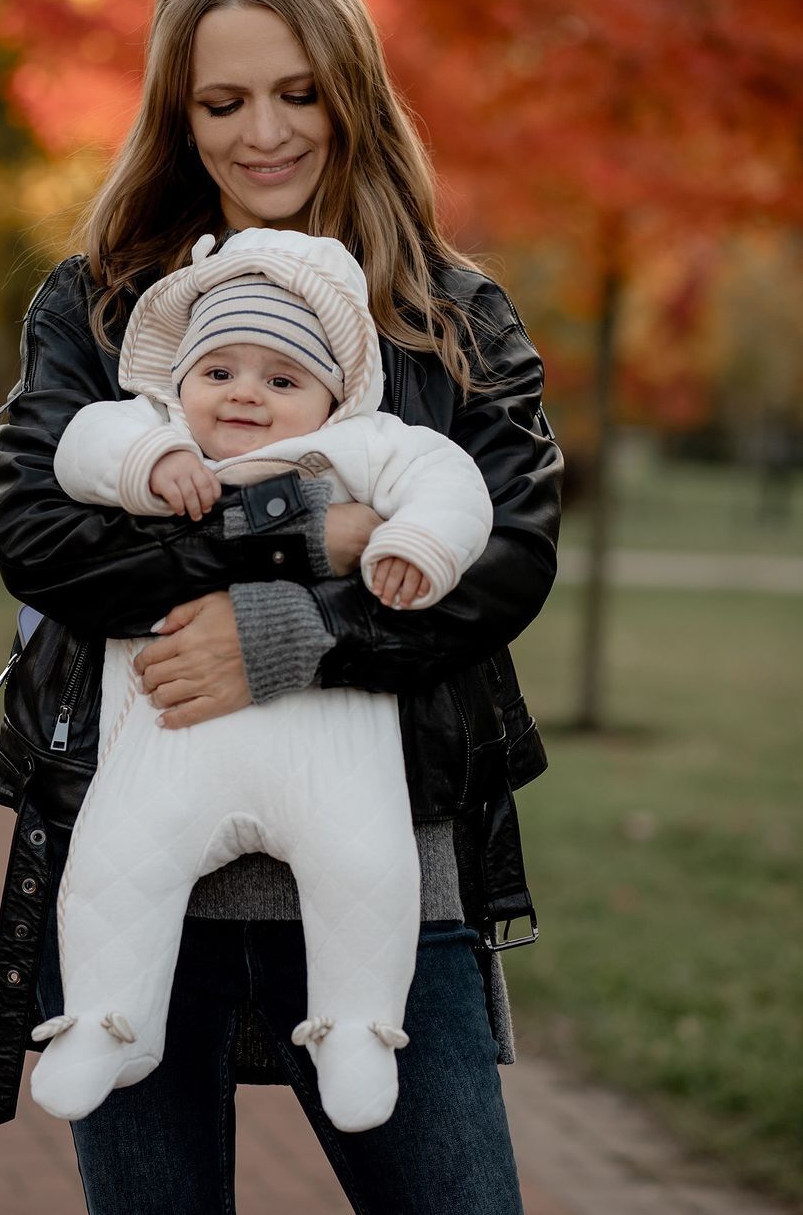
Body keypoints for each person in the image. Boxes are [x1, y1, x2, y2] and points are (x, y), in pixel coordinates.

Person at [0, 0, 562, 1215]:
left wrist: (286, 638)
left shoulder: (455, 320)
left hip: (392, 884)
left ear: (350, 88)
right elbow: (39, 532)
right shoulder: (97, 308)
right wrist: (304, 535)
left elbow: (505, 559)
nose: (265, 133)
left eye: (299, 92)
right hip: (132, 889)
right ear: (180, 116)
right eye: (223, 100)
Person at [29, 226, 494, 1132]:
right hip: (171, 736)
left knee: (367, 866)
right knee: (117, 860)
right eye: (220, 372)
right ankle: (103, 1021)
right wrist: (149, 464)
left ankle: (358, 1028)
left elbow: (456, 485)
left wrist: (412, 544)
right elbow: (76, 444)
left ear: (331, 397)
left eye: (282, 381)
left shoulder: (360, 448)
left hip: (330, 743)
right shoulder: (153, 431)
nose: (245, 393)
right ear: (183, 379)